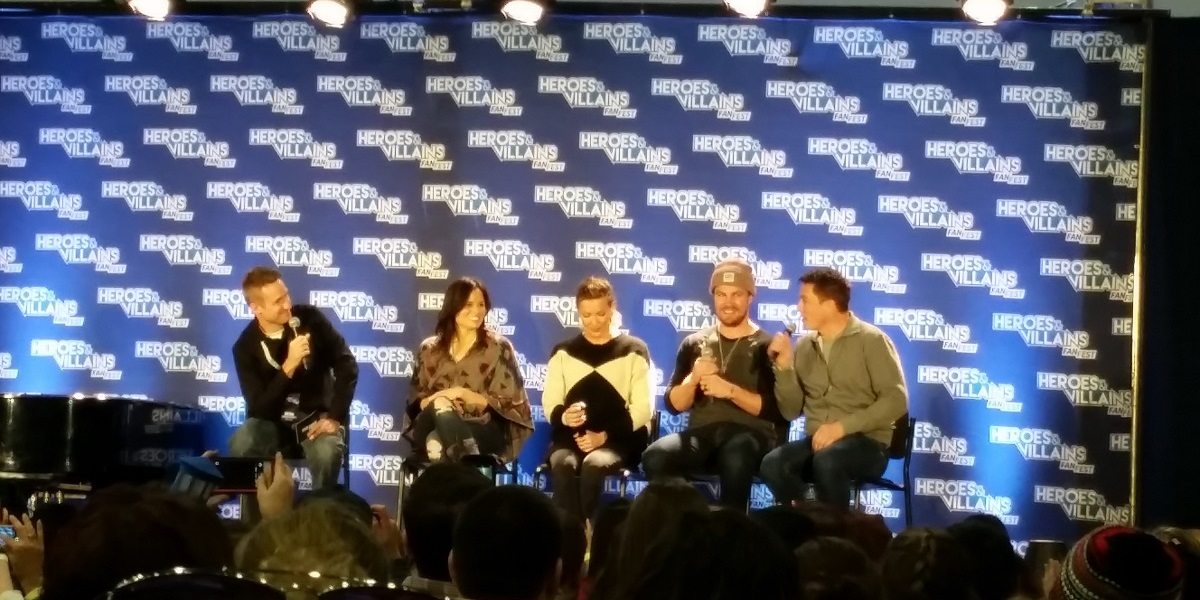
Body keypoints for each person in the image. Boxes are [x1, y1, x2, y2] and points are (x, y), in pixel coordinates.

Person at [640, 259, 786, 511]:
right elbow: (674, 405)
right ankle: (682, 523)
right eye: (721, 294)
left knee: (736, 453)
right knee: (655, 456)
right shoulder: (694, 343)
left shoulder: (767, 346)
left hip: (751, 437)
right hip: (703, 437)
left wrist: (729, 391)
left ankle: (730, 528)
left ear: (750, 297)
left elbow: (777, 411)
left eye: (736, 294)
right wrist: (694, 378)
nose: (728, 302)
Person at [761, 267, 908, 509]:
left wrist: (841, 427)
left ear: (829, 304)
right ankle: (812, 517)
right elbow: (790, 411)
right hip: (818, 444)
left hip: (868, 444)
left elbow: (896, 400)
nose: (799, 307)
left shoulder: (872, 340)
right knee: (773, 464)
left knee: (828, 461)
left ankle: (836, 528)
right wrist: (785, 368)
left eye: (805, 300)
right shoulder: (804, 346)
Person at [230, 267, 357, 491]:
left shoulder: (310, 319)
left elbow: (347, 364)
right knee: (243, 442)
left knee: (326, 451)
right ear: (257, 308)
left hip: (315, 421)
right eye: (278, 301)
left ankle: (320, 510)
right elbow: (259, 408)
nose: (287, 305)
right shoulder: (245, 347)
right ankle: (256, 511)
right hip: (273, 425)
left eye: (286, 295)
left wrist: (334, 418)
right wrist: (289, 365)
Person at [542, 276, 653, 526]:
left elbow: (644, 409)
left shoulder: (634, 350)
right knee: (562, 464)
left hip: (618, 440)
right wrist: (564, 416)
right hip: (570, 439)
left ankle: (591, 534)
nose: (594, 322)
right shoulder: (563, 352)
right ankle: (572, 534)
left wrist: (604, 436)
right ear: (578, 312)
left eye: (601, 314)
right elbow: (550, 402)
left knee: (594, 465)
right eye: (587, 315)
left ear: (612, 307)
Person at [405, 277, 533, 463]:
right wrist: (443, 400)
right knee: (439, 408)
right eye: (469, 305)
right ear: (453, 306)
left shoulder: (498, 348)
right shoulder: (429, 350)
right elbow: (417, 403)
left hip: (482, 427)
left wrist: (463, 394)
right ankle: (467, 461)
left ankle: (456, 461)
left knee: (436, 442)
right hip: (430, 422)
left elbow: (511, 406)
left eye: (481, 305)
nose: (477, 311)